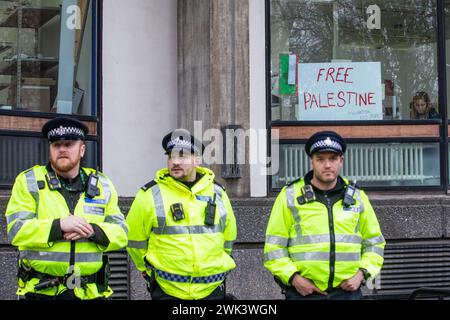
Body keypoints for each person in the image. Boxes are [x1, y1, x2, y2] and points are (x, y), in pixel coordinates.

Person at [5, 117, 128, 300]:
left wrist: (92, 230)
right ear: (50, 150)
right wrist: (59, 226)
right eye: (56, 145)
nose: (62, 149)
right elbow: (16, 230)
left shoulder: (103, 185)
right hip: (41, 292)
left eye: (69, 144)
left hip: (90, 292)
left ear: (82, 150)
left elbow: (122, 233)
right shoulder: (28, 181)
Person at [264, 131, 385, 300]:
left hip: (347, 293)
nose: (327, 165)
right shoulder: (289, 196)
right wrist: (294, 278)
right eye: (320, 159)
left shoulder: (358, 197)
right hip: (303, 293)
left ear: (341, 161)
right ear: (311, 161)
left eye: (333, 158)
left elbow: (375, 243)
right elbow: (274, 247)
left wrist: (361, 275)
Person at [126, 128, 237, 300]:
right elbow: (134, 239)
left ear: (197, 160)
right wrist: (146, 269)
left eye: (182, 156)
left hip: (213, 290)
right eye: (171, 156)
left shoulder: (218, 193)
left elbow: (228, 238)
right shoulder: (149, 194)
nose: (175, 161)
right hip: (167, 291)